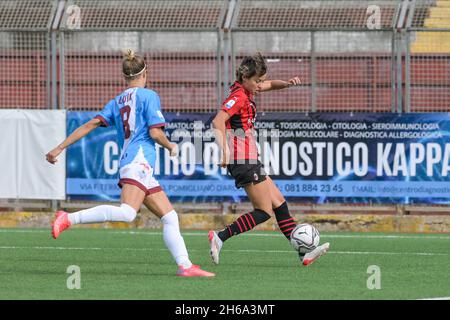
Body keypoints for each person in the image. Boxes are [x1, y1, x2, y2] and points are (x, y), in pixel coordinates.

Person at [46, 49, 214, 277]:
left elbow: (89, 125)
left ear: (124, 77)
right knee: (127, 213)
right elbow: (155, 133)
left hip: (133, 163)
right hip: (139, 161)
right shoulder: (149, 96)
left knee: (170, 217)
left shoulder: (117, 101)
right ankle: (68, 217)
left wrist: (59, 147)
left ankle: (185, 265)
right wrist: (171, 146)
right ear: (145, 75)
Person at [209, 53, 330, 266]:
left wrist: (287, 84)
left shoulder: (248, 88)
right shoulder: (238, 97)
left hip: (249, 158)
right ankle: (220, 237)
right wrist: (224, 151)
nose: (260, 85)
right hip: (242, 158)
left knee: (280, 204)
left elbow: (270, 85)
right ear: (245, 77)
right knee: (264, 211)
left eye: (260, 80)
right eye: (257, 80)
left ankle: (304, 254)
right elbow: (217, 121)